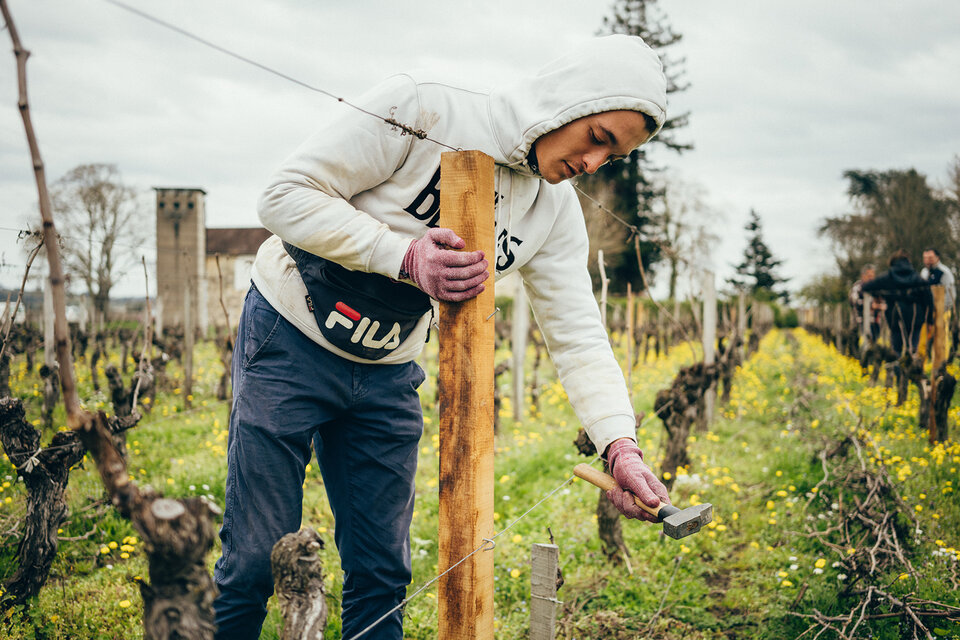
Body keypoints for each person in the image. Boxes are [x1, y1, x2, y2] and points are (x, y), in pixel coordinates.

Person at [212, 35, 672, 640]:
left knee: (382, 570)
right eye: (599, 138)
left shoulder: (554, 211)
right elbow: (282, 195)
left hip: (387, 368)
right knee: (252, 560)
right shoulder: (423, 109)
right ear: (569, 102)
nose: (592, 164)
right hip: (289, 338)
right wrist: (402, 256)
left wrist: (620, 445)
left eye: (611, 158)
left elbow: (577, 334)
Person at [862, 250, 932, 357]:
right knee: (913, 345)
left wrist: (879, 295)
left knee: (896, 346)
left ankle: (897, 368)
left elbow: (866, 287)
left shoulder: (887, 277)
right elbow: (928, 299)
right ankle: (912, 365)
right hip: (915, 315)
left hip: (895, 315)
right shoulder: (918, 278)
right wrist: (930, 320)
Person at [849, 264, 882, 341]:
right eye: (869, 276)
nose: (871, 278)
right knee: (863, 343)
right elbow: (854, 301)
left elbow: (882, 302)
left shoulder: (876, 288)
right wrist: (871, 305)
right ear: (863, 276)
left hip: (875, 322)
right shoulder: (857, 286)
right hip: (860, 322)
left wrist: (878, 305)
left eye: (872, 276)